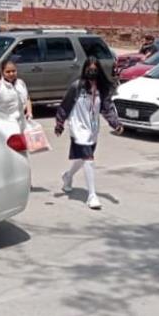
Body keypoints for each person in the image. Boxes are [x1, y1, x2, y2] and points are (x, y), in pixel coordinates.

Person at [55, 57, 123, 210]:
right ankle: (92, 196)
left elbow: (107, 108)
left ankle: (68, 176)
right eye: (89, 69)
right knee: (89, 159)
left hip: (92, 127)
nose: (92, 72)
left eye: (94, 69)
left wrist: (115, 124)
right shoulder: (77, 87)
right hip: (77, 126)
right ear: (84, 70)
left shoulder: (101, 89)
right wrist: (60, 123)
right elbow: (65, 105)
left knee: (83, 158)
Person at [0, 60, 32, 130]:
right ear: (2, 72)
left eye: (13, 71)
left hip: (21, 124)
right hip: (4, 125)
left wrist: (29, 112)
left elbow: (27, 98)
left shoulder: (21, 83)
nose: (11, 74)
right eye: (8, 72)